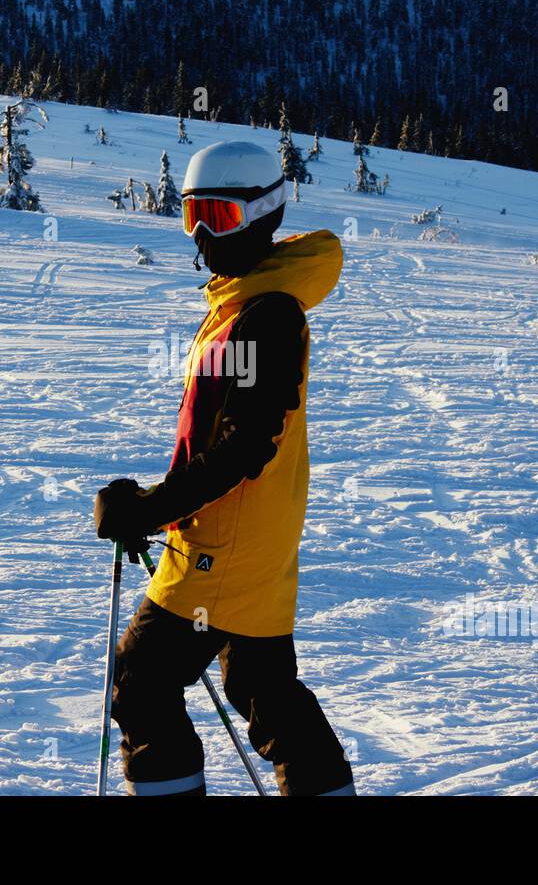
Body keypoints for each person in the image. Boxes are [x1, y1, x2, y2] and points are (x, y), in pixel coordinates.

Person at [93, 140, 355, 796]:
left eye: (220, 215)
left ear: (263, 214)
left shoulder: (265, 316)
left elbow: (244, 444)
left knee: (141, 680)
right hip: (253, 542)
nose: (205, 234)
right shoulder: (247, 303)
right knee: (261, 688)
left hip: (223, 549)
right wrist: (160, 505)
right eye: (193, 216)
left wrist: (151, 506)